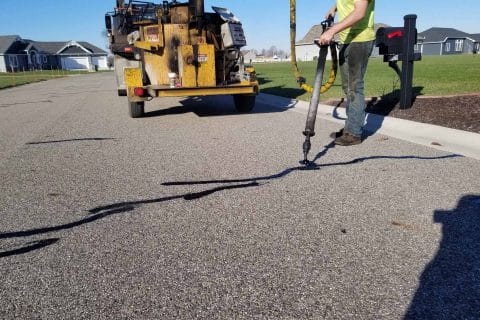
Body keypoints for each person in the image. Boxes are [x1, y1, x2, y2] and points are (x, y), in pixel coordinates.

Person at [319, 0, 376, 146]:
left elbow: (359, 12)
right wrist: (334, 8)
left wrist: (332, 31)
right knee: (347, 87)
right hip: (346, 40)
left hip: (360, 40)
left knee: (354, 87)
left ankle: (354, 133)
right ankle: (350, 126)